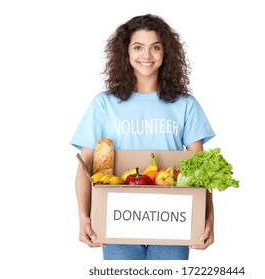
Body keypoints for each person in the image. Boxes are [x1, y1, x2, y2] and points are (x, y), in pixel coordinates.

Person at [71, 14, 215, 260]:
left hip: (173, 218)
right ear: (125, 53)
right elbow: (87, 164)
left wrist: (208, 218)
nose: (146, 55)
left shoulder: (185, 105)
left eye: (155, 47)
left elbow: (201, 168)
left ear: (165, 52)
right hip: (117, 218)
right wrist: (84, 217)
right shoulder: (104, 104)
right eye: (138, 47)